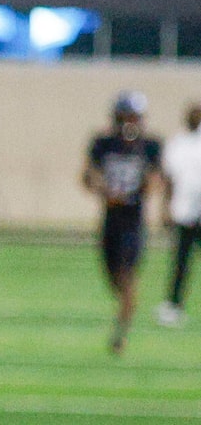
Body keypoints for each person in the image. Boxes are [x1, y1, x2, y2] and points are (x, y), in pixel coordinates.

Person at [85, 91, 163, 354]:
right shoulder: (103, 144)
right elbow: (88, 176)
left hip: (132, 220)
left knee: (127, 277)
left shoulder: (149, 146)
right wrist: (105, 192)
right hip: (110, 220)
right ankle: (126, 308)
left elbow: (155, 179)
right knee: (113, 278)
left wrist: (140, 190)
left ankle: (120, 334)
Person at [159, 102, 201, 328]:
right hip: (184, 212)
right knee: (181, 262)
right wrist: (165, 208)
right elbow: (169, 178)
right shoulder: (178, 144)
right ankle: (173, 305)